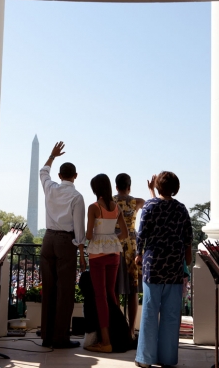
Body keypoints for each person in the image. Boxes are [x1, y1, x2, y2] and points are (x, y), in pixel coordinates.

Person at [134, 172, 193, 368]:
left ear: (158, 186)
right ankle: (167, 358)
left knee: (150, 312)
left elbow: (141, 234)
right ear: (176, 188)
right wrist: (187, 263)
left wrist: (138, 254)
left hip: (153, 266)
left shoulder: (150, 207)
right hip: (175, 267)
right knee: (171, 314)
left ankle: (145, 358)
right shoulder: (181, 209)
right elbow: (188, 239)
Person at [38, 141, 87, 349]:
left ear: (60, 175)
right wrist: (82, 253)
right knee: (65, 291)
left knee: (48, 289)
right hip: (66, 242)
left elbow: (43, 171)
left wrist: (52, 155)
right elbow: (79, 229)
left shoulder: (50, 188)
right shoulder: (76, 197)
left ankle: (47, 336)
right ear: (75, 176)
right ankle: (60, 338)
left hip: (48, 239)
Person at [84, 173, 129, 353]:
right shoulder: (116, 207)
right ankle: (117, 335)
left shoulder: (94, 207)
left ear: (96, 189)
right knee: (111, 294)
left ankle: (106, 341)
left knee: (100, 296)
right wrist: (111, 238)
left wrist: (99, 238)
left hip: (98, 254)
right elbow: (124, 234)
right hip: (114, 253)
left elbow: (88, 235)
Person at [112, 173, 146, 340]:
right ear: (129, 186)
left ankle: (117, 328)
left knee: (115, 288)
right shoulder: (136, 202)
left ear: (116, 186)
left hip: (115, 244)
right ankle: (131, 330)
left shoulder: (110, 202)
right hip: (132, 245)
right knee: (133, 291)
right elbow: (147, 204)